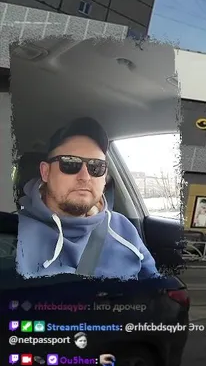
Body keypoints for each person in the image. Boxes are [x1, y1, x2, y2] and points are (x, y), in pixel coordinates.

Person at [16, 117, 159, 280]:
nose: (85, 177)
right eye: (70, 163)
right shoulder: (14, 235)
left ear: (104, 176)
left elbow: (157, 289)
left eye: (96, 166)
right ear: (45, 172)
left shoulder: (123, 228)